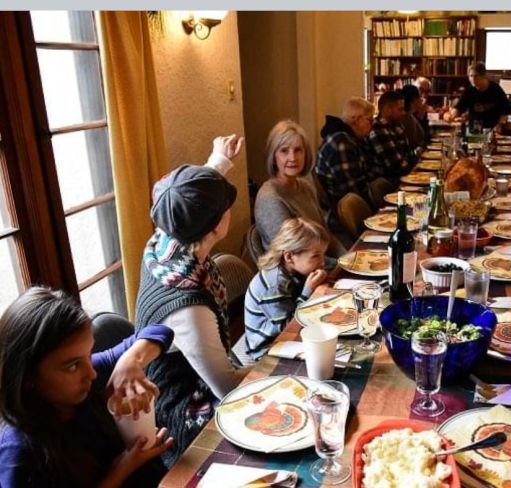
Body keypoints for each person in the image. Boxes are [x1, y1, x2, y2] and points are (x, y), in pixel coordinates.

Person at [134, 134, 248, 466]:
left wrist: (219, 160)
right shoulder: (189, 306)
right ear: (217, 225)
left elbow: (189, 200)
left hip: (198, 375)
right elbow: (228, 389)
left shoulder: (166, 240)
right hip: (183, 415)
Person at [0, 287, 174, 487]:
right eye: (73, 366)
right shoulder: (18, 454)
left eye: (89, 354)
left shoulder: (91, 373)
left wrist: (131, 361)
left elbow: (161, 331)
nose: (91, 373)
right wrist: (120, 471)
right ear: (27, 376)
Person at [238, 218, 329, 363]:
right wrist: (308, 291)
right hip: (268, 348)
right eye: (316, 256)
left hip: (287, 334)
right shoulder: (274, 286)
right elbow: (289, 327)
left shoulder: (294, 269)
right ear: (289, 256)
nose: (322, 261)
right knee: (324, 355)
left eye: (323, 254)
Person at [254, 120, 346, 258]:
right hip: (296, 269)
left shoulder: (306, 187)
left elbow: (325, 236)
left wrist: (347, 258)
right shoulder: (270, 199)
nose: (292, 158)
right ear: (274, 156)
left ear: (305, 154)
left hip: (319, 263)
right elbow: (296, 256)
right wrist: (339, 265)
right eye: (284, 151)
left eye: (298, 150)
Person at [315, 97, 375, 209]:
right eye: (370, 120)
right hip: (344, 210)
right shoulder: (341, 142)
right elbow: (353, 190)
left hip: (351, 203)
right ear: (356, 119)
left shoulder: (351, 138)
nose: (372, 124)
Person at [368, 90, 418, 184]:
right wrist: (412, 164)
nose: (404, 113)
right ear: (388, 110)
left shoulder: (396, 125)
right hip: (392, 182)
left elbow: (409, 155)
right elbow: (395, 165)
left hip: (404, 176)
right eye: (400, 109)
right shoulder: (378, 129)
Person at [445, 62, 511, 133]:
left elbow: (505, 111)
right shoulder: (469, 91)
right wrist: (451, 116)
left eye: (476, 76)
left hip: (492, 129)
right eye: (471, 76)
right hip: (474, 129)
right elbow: (459, 107)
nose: (473, 79)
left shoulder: (496, 89)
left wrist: (499, 124)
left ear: (483, 76)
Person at [399, 84, 425, 151]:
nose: (421, 100)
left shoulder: (411, 115)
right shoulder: (406, 118)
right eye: (420, 97)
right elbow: (412, 145)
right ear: (414, 99)